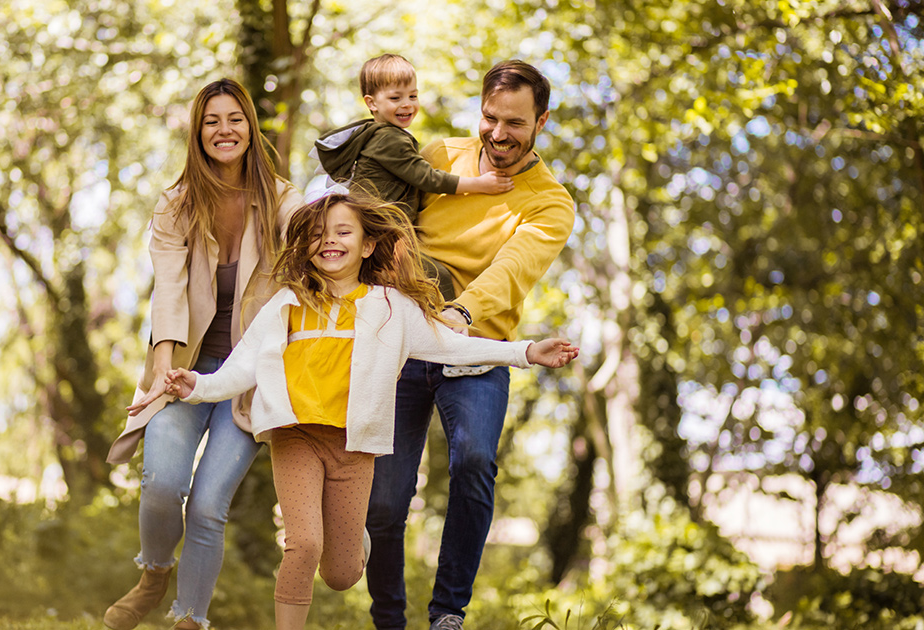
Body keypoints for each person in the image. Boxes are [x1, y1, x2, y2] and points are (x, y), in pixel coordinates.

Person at [128, 193, 578, 630]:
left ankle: (351, 539)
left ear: (367, 245)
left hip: (353, 447)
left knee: (341, 575)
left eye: (344, 231)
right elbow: (240, 368)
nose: (331, 240)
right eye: (319, 233)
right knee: (303, 544)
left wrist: (527, 351)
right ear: (306, 245)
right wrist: (197, 386)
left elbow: (453, 347)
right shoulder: (286, 304)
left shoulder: (390, 308)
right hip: (296, 437)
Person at [363, 60, 577, 630]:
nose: (499, 134)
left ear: (542, 121)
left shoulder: (550, 202)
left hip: (478, 346)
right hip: (403, 340)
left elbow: (513, 266)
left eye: (516, 123)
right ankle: (388, 619)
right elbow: (391, 223)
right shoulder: (437, 157)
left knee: (476, 460)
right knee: (384, 499)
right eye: (489, 118)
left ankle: (447, 613)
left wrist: (461, 311)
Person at [102, 78, 303, 630]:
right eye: (212, 121)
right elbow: (168, 289)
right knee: (163, 483)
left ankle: (189, 620)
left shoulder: (282, 200)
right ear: (198, 132)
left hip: (247, 379)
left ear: (250, 127)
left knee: (210, 506)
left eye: (234, 118)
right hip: (185, 367)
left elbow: (311, 241)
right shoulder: (177, 204)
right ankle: (153, 574)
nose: (224, 130)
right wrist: (162, 367)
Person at [312, 53, 514, 300]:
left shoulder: (381, 134)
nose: (407, 104)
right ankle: (449, 327)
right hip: (379, 232)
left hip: (378, 230)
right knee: (435, 276)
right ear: (372, 102)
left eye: (413, 96)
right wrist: (480, 184)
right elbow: (427, 178)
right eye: (395, 98)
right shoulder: (389, 138)